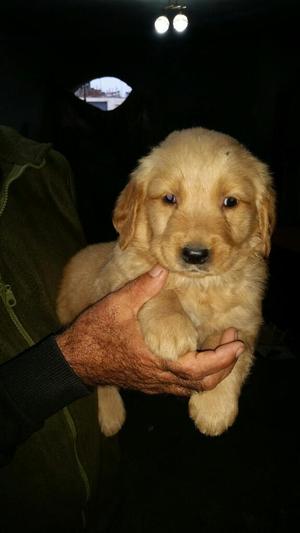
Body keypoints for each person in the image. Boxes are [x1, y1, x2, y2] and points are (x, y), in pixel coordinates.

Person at [0, 125, 243, 532]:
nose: (199, 238)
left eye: (229, 201)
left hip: (98, 465)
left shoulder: (40, 164)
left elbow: (240, 326)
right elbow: (111, 292)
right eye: (170, 199)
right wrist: (89, 369)